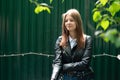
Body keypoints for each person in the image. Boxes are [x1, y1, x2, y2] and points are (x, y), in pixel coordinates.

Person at [51, 9, 94, 80]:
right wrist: (53, 78)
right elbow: (57, 62)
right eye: (66, 21)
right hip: (65, 77)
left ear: (77, 22)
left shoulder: (87, 39)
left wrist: (63, 66)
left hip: (83, 77)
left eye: (71, 20)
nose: (68, 23)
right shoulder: (60, 40)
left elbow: (85, 63)